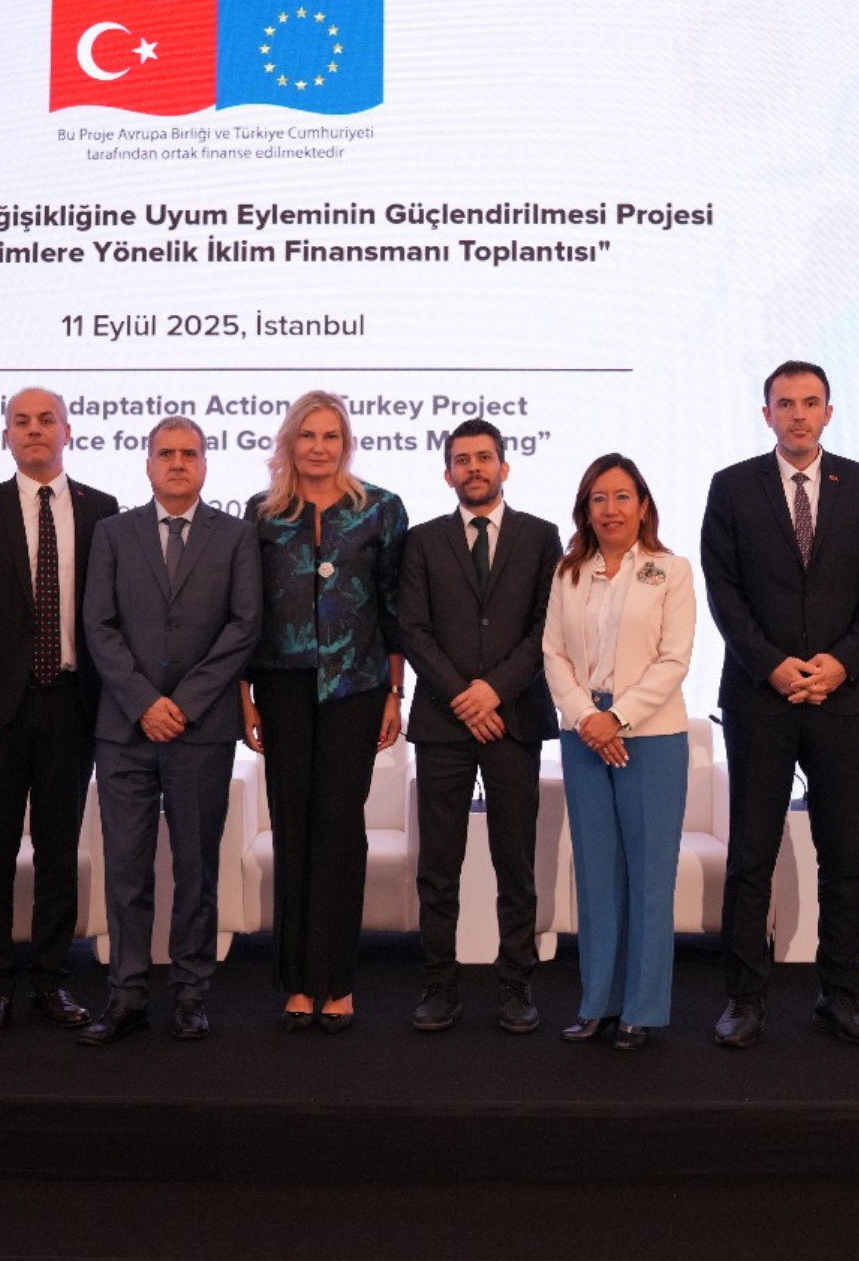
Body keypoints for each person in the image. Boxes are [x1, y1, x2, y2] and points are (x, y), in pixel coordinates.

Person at [701, 359, 859, 1048]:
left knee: (842, 854)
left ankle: (840, 993)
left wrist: (840, 664)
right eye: (785, 404)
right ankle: (744, 998)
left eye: (810, 403)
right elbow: (723, 589)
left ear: (829, 412)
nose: (798, 415)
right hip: (761, 696)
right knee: (751, 854)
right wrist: (774, 664)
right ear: (767, 415)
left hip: (840, 697)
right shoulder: (732, 486)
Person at [79, 417, 260, 1045]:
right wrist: (143, 703)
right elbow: (98, 624)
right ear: (148, 465)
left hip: (200, 728)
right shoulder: (113, 532)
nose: (177, 463)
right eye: (166, 454)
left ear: (205, 465)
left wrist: (182, 703)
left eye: (189, 453)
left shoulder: (236, 535)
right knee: (126, 870)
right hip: (124, 729)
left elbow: (244, 625)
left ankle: (190, 993)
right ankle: (126, 994)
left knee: (196, 869)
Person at [0, 387, 119, 1035]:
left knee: (58, 852)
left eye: (47, 420)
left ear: (68, 431)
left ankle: (51, 980)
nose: (34, 430)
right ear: (6, 436)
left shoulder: (101, 509)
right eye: (21, 421)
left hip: (73, 705)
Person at [240, 390, 407, 1031]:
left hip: (356, 689)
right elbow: (247, 615)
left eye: (330, 436)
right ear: (289, 443)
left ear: (346, 443)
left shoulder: (381, 510)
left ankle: (336, 982)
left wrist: (394, 693)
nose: (318, 447)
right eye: (307, 435)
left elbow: (392, 609)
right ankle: (297, 983)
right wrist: (244, 698)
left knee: (339, 829)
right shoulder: (261, 514)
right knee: (293, 828)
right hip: (280, 688)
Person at [397, 417, 562, 1033]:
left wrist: (494, 690)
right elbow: (412, 628)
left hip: (514, 719)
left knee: (515, 862)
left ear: (504, 467)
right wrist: (465, 696)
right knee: (438, 865)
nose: (474, 468)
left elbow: (547, 626)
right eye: (462, 460)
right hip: (443, 722)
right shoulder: (421, 541)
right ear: (447, 474)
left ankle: (516, 984)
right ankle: (439, 985)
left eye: (484, 457)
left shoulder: (542, 537)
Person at [542, 455, 696, 1050]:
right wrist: (587, 717)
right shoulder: (568, 572)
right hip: (584, 735)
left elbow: (674, 659)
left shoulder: (670, 570)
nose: (611, 509)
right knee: (596, 874)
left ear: (644, 505)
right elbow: (554, 653)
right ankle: (597, 1004)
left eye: (622, 496)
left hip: (650, 737)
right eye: (599, 498)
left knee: (650, 878)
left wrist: (618, 717)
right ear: (585, 509)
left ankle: (642, 1009)